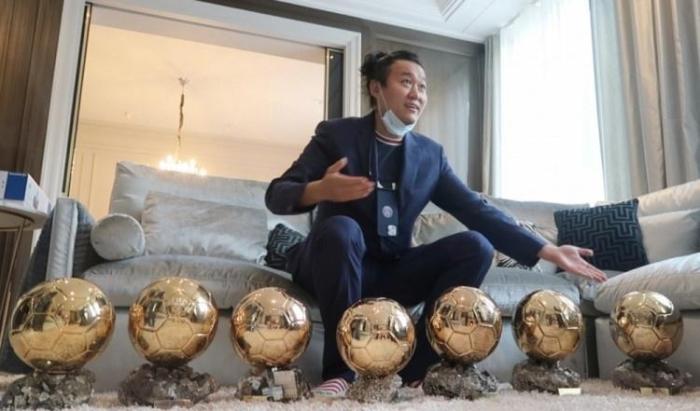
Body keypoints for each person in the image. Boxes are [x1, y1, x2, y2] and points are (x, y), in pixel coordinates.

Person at [265, 50, 606, 397]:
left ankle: (416, 368)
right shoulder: (337, 135)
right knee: (342, 229)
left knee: (476, 246)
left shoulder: (430, 155)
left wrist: (547, 250)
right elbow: (277, 194)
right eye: (406, 82)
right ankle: (342, 372)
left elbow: (476, 209)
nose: (417, 93)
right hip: (334, 265)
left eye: (423, 86)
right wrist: (320, 189)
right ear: (376, 88)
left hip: (390, 271)